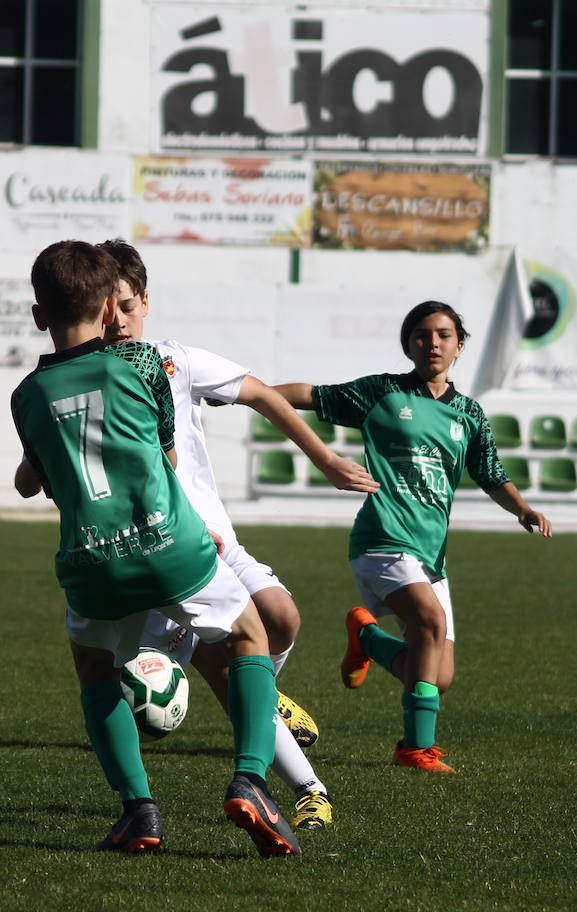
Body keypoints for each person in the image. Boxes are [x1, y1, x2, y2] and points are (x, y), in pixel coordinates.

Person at [11, 239, 300, 857]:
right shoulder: (142, 367)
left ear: (39, 315)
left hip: (91, 558)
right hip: (168, 545)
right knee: (249, 635)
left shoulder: (27, 396)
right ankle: (251, 780)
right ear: (108, 304)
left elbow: (33, 481)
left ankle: (139, 812)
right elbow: (165, 458)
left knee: (95, 672)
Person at [98, 238, 378, 829]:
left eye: (126, 304)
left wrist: (325, 459)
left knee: (283, 620)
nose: (117, 319)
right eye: (105, 306)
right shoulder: (90, 378)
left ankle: (265, 715)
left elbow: (260, 393)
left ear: (146, 301)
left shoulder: (176, 361)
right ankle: (309, 789)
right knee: (219, 672)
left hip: (218, 543)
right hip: (154, 560)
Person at [276, 301, 552, 774]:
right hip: (382, 537)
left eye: (444, 335)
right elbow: (311, 394)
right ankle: (414, 749)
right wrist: (243, 392)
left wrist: (522, 507)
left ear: (460, 346)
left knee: (436, 675)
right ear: (408, 344)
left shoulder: (469, 414)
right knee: (429, 623)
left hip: (431, 553)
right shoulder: (382, 393)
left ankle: (365, 636)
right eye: (422, 335)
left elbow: (489, 473)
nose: (433, 344)